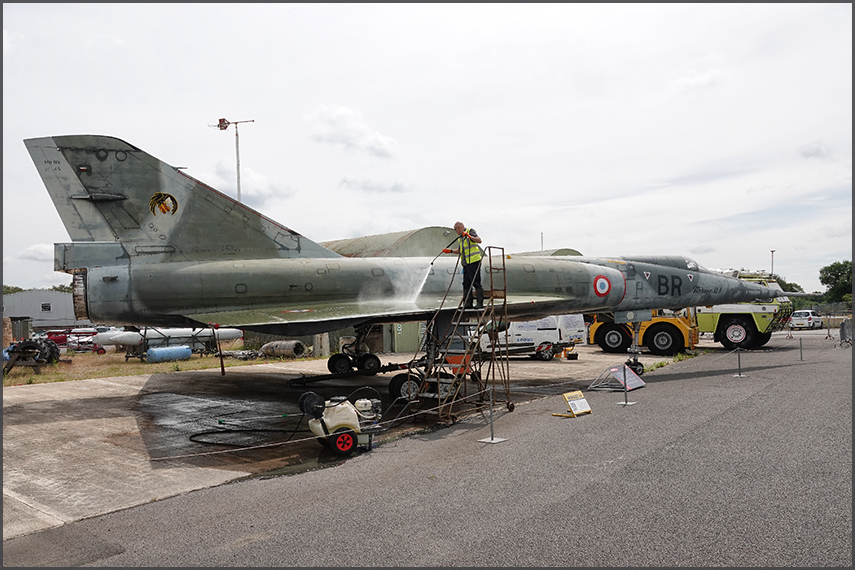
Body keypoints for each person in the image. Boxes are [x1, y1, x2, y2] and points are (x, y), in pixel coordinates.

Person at [442, 221, 484, 309]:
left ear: (459, 227)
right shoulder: (460, 238)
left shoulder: (470, 231)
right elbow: (460, 251)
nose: (455, 232)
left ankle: (480, 303)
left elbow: (479, 240)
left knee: (475, 282)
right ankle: (468, 304)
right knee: (466, 283)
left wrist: (469, 236)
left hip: (474, 261)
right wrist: (450, 251)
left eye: (455, 229)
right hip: (466, 264)